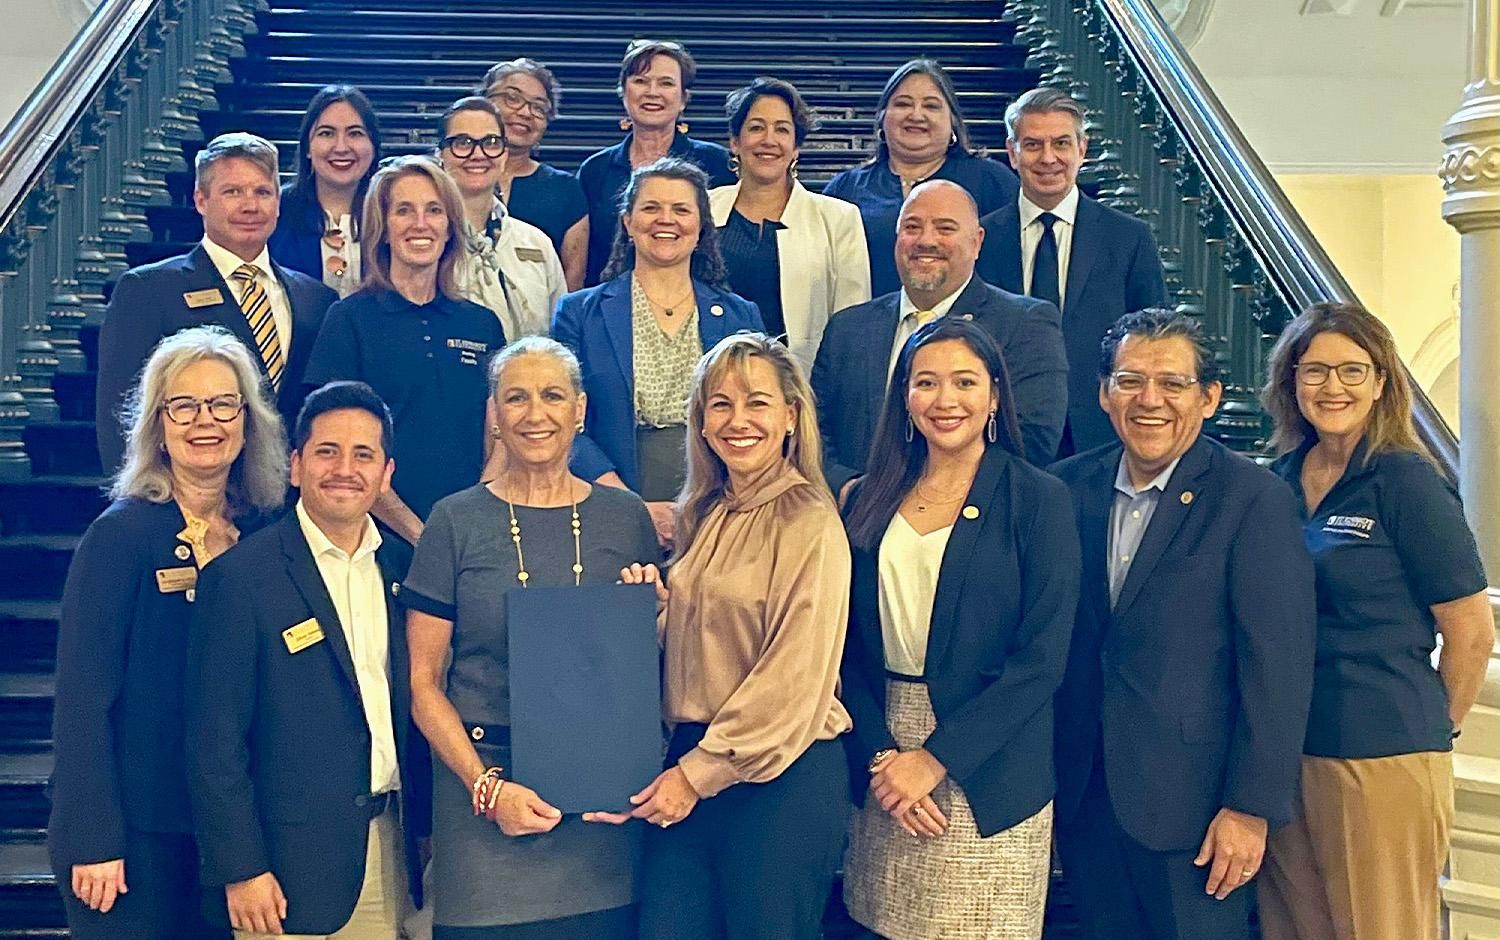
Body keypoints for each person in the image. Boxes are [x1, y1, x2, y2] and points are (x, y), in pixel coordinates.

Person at [1049, 308, 1316, 940]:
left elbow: (1277, 669)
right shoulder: (1065, 488)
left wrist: (1250, 808)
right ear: (1104, 393)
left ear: (1210, 398)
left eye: (1172, 383)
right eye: (1130, 381)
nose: (1150, 400)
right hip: (1084, 795)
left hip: (1197, 813)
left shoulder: (1253, 499)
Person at [401, 337, 661, 938]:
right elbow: (423, 683)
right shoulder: (453, 520)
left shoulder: (626, 519)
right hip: (484, 799)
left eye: (552, 396)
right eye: (516, 398)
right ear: (494, 414)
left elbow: (643, 668)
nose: (535, 414)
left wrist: (656, 614)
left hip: (602, 813)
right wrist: (487, 790)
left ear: (580, 410)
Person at [1257, 303, 1494, 940]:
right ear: (1291, 382)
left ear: (1382, 381)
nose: (1332, 386)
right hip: (1285, 756)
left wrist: (1432, 730)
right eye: (1314, 371)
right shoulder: (1276, 484)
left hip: (1381, 755)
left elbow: (1472, 633)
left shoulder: (1407, 482)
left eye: (1352, 370)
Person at [606, 332, 851, 939]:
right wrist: (655, 615)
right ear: (701, 421)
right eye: (720, 404)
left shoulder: (810, 521)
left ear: (790, 416)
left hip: (778, 777)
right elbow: (709, 645)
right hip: (693, 759)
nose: (738, 420)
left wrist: (697, 775)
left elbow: (792, 676)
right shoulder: (707, 512)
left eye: (757, 402)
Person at [840, 318, 1079, 940]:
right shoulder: (866, 497)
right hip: (884, 757)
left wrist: (934, 760)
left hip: (990, 767)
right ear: (904, 397)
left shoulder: (1039, 499)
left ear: (995, 395)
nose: (945, 399)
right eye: (926, 383)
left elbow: (1042, 662)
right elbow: (844, 650)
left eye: (965, 382)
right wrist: (883, 759)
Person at [47, 326, 288, 940]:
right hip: (133, 841)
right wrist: (94, 838)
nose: (205, 421)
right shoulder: (119, 537)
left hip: (230, 836)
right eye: (184, 405)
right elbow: (81, 703)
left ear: (248, 421)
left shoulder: (267, 535)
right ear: (157, 425)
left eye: (223, 404)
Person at [186, 381, 422, 938]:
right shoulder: (241, 579)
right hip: (281, 876)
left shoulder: (405, 570)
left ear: (386, 474)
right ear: (295, 466)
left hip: (390, 849)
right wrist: (242, 868)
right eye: (326, 452)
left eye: (363, 455)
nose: (345, 470)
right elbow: (213, 741)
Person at [96, 132, 337, 472]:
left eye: (263, 192)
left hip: (290, 494)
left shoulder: (316, 299)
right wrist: (139, 494)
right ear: (200, 200)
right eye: (232, 192)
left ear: (278, 202)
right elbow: (119, 414)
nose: (250, 206)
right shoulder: (148, 290)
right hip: (186, 491)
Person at [552, 157, 762, 549]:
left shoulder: (740, 316)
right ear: (628, 223)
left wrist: (709, 504)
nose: (666, 219)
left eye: (681, 209)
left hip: (720, 509)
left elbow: (757, 419)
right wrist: (628, 505)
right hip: (604, 505)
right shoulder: (578, 313)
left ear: (701, 227)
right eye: (651, 208)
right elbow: (559, 418)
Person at [812, 179, 1066, 496]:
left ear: (977, 242)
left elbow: (1032, 438)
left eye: (945, 228)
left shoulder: (1025, 323)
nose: (926, 241)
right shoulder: (847, 328)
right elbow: (813, 428)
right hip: (856, 515)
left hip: (975, 516)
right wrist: (849, 488)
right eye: (912, 227)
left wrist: (933, 500)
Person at [304, 155, 506, 544]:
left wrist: (473, 519)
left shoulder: (482, 324)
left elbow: (499, 433)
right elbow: (336, 443)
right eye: (403, 211)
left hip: (472, 536)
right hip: (375, 536)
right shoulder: (348, 319)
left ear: (450, 227)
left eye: (434, 210)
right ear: (382, 228)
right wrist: (420, 535)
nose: (420, 223)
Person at [976, 87, 1168, 457]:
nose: (1048, 158)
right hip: (1003, 430)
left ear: (1082, 149)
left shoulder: (1129, 238)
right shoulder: (981, 238)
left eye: (1061, 143)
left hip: (1100, 433)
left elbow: (1155, 340)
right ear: (1012, 153)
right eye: (1033, 145)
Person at [708, 77, 870, 371]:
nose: (768, 140)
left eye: (782, 129)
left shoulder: (839, 220)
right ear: (735, 142)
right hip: (710, 379)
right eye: (756, 127)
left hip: (801, 384)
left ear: (796, 148)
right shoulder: (701, 210)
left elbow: (852, 328)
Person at [824, 59, 1019, 297]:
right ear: (882, 119)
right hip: (870, 318)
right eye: (903, 104)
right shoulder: (845, 189)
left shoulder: (993, 181)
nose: (916, 115)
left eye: (931, 106)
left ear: (953, 122)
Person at [578, 40, 735, 286]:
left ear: (683, 99)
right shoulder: (595, 170)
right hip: (611, 301)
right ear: (623, 93)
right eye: (641, 81)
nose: (652, 92)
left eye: (666, 83)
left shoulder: (717, 164)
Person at [436, 96, 567, 341]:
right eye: (463, 143)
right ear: (441, 154)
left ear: (504, 154)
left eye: (491, 142)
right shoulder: (426, 242)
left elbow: (558, 339)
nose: (478, 154)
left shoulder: (536, 242)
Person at [481, 58, 589, 291]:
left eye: (538, 107)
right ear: (485, 102)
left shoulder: (565, 190)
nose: (525, 112)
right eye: (512, 98)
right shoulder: (452, 178)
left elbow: (572, 283)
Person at [268, 85, 382, 298]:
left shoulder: (392, 213)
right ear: (307, 148)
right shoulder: (273, 212)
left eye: (355, 133)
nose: (341, 147)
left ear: (373, 146)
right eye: (327, 133)